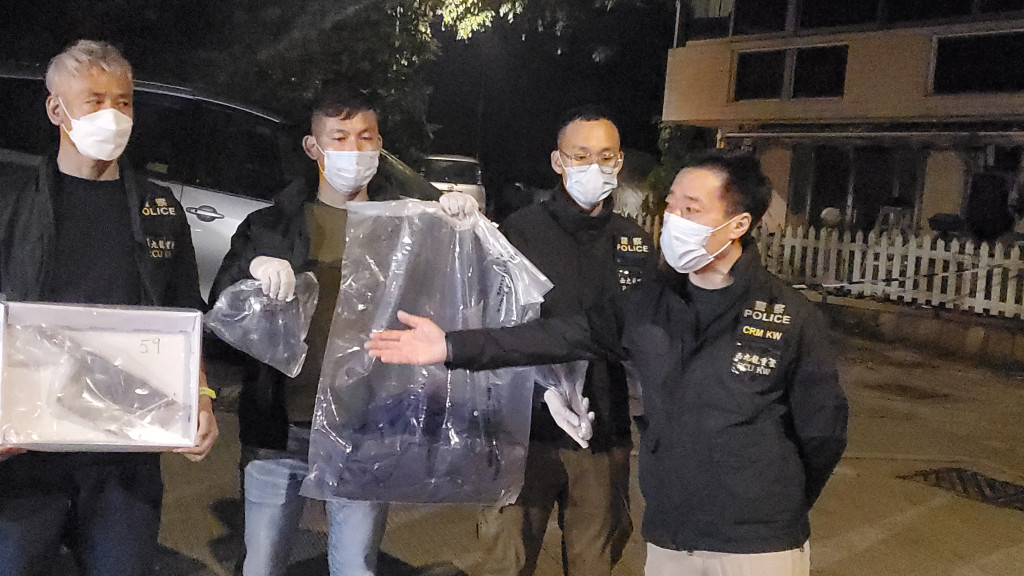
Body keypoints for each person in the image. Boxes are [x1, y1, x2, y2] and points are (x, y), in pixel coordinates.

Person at [366, 150, 849, 576]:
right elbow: (554, 337)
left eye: (691, 209)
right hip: (671, 536)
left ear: (738, 224)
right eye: (672, 205)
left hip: (759, 545)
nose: (674, 219)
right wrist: (451, 346)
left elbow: (823, 433)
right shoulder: (649, 305)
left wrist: (773, 503)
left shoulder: (789, 316)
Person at [208, 83, 478, 576]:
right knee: (262, 563)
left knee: (355, 565)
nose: (354, 149)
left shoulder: (405, 229)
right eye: (339, 137)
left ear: (380, 145)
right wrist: (253, 267)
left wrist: (458, 229)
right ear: (313, 147)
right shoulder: (271, 226)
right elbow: (221, 309)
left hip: (365, 428)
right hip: (279, 428)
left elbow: (453, 299)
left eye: (365, 136)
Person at [0, 39, 218, 576]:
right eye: (94, 100)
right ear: (57, 110)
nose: (113, 115)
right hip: (26, 456)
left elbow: (183, 314)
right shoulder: (11, 203)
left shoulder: (159, 208)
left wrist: (201, 399)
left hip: (126, 456)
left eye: (123, 101)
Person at [476, 106, 655, 576]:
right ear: (558, 161)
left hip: (604, 433)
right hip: (524, 432)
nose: (594, 166)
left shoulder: (634, 243)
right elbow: (495, 325)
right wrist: (542, 390)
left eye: (606, 156)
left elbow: (645, 337)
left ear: (619, 162)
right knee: (506, 560)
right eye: (581, 155)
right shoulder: (520, 231)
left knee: (596, 560)